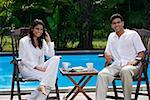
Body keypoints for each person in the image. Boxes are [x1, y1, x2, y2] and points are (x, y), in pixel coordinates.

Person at [96, 13, 146, 100]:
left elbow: (142, 52)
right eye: (114, 23)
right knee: (101, 74)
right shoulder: (111, 36)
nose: (117, 25)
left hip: (132, 67)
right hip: (116, 65)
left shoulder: (132, 34)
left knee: (125, 70)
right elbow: (107, 51)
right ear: (112, 25)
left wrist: (135, 61)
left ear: (122, 23)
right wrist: (106, 54)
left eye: (118, 22)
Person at [19, 19, 60, 100]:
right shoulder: (23, 41)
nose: (39, 31)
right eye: (37, 29)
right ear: (32, 29)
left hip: (40, 68)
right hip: (28, 69)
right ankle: (35, 95)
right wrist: (36, 67)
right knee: (51, 77)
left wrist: (49, 41)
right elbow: (22, 59)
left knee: (56, 58)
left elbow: (51, 55)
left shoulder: (42, 41)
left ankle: (35, 93)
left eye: (41, 29)